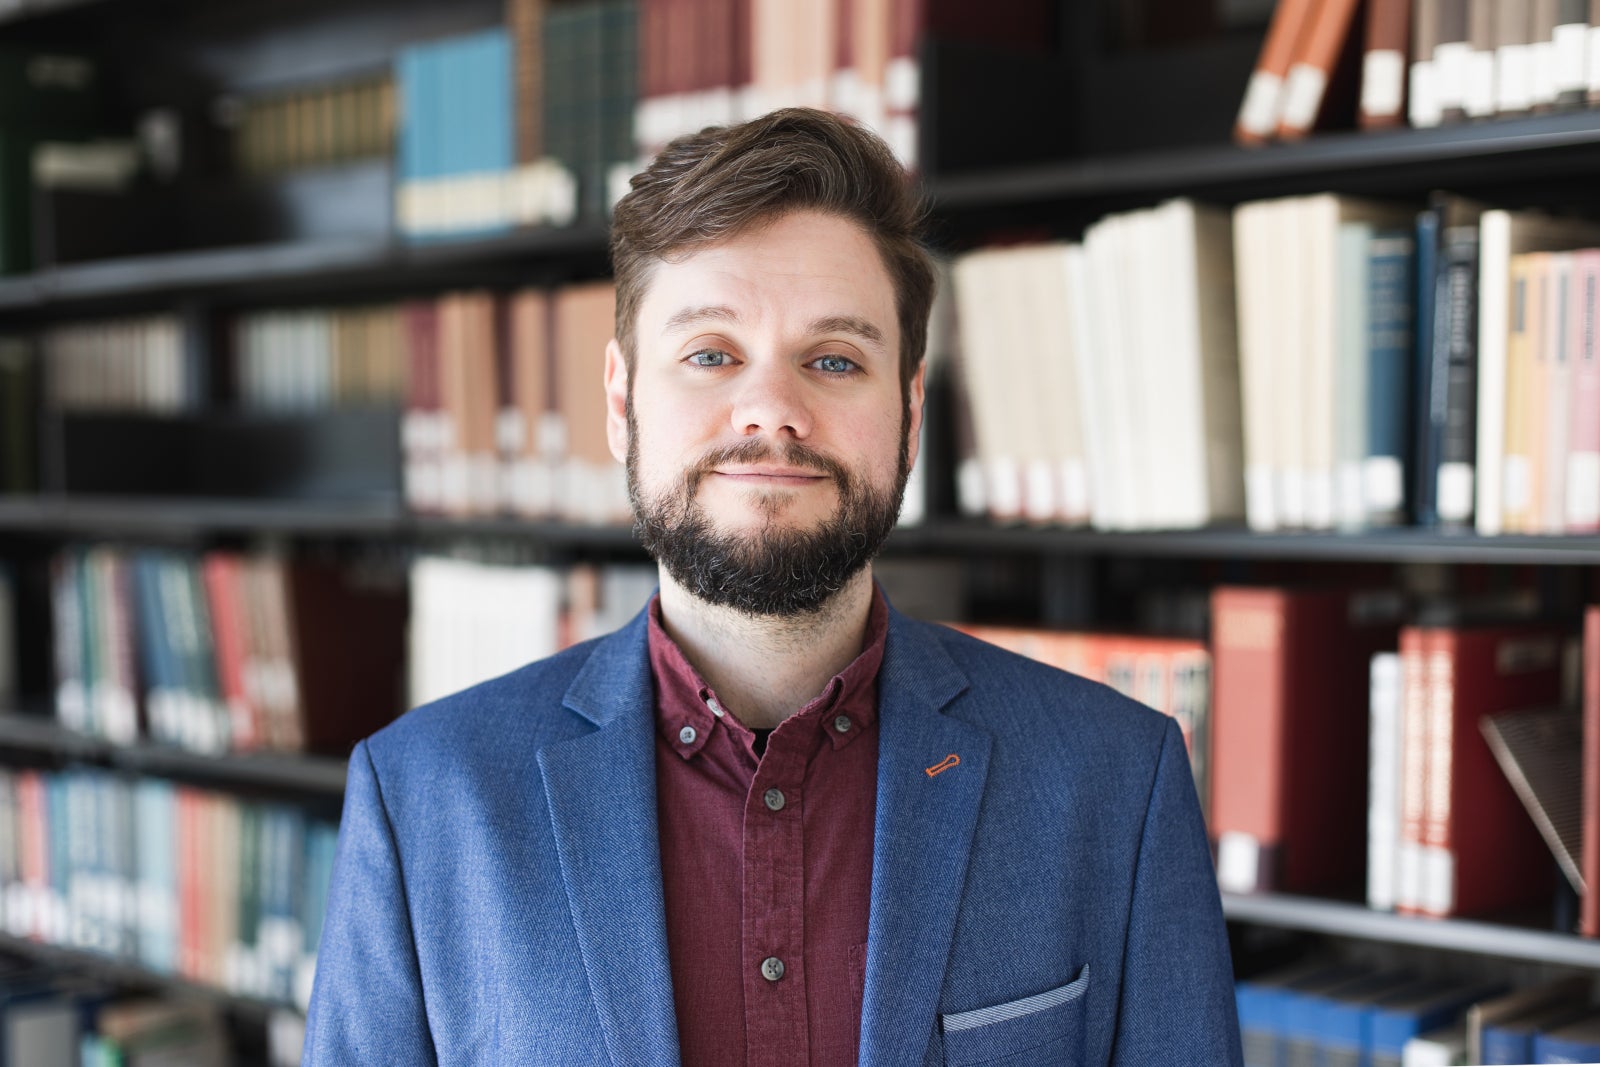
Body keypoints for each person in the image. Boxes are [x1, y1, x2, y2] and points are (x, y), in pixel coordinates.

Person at [303, 107, 1241, 1066]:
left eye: (834, 360)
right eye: (711, 355)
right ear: (623, 404)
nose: (772, 411)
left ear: (909, 413)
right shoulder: (422, 799)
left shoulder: (1118, 782)